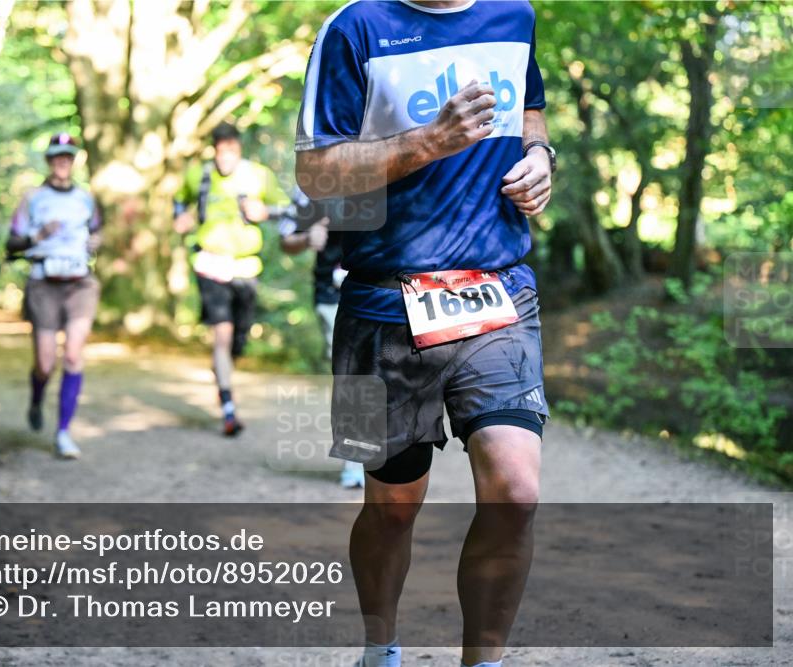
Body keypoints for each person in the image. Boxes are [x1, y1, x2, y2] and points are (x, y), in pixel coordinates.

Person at [295, 1, 556, 666]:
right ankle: (379, 646)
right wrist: (426, 142)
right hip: (381, 302)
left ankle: (485, 662)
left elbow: (530, 105)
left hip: (498, 289)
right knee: (391, 506)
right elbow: (316, 173)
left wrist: (540, 153)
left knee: (516, 490)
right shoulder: (353, 28)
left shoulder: (514, 15)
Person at [173, 122, 289, 436]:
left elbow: (287, 208)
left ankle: (223, 366)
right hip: (209, 263)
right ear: (214, 149)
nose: (225, 157)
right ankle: (228, 407)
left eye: (231, 150)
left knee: (238, 340)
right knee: (221, 335)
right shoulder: (199, 174)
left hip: (246, 268)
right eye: (220, 151)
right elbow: (178, 201)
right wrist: (179, 219)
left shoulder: (258, 175)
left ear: (240, 148)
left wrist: (264, 212)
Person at [6, 133, 102, 460]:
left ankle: (63, 432)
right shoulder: (33, 198)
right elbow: (11, 243)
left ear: (74, 160)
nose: (63, 161)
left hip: (80, 283)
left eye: (68, 156)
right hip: (44, 282)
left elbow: (98, 230)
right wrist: (37, 235)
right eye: (57, 156)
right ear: (48, 160)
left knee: (74, 356)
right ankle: (36, 398)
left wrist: (96, 242)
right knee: (45, 363)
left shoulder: (86, 199)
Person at [278, 186, 366, 489]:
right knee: (351, 372)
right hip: (333, 294)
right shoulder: (309, 187)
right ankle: (355, 461)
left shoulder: (389, 166)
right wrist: (307, 237)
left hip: (386, 289)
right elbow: (286, 238)